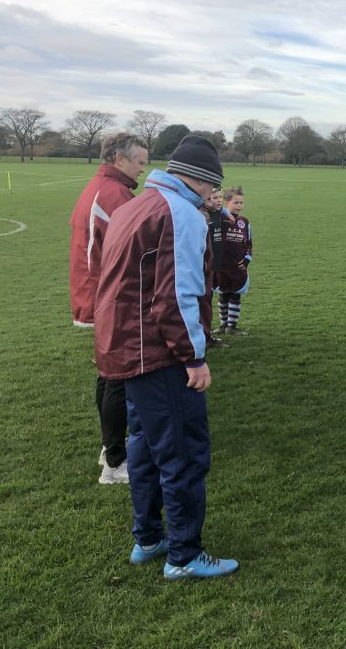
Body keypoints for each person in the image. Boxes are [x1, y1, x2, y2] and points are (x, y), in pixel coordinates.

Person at [95, 134, 239, 580]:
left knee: (145, 448)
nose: (212, 196)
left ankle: (149, 537)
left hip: (126, 350)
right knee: (182, 453)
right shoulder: (181, 214)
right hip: (159, 354)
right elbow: (178, 295)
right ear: (201, 181)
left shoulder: (136, 204)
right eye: (212, 187)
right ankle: (183, 554)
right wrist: (194, 357)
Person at [69, 132, 149, 484]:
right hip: (108, 296)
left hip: (99, 294)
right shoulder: (114, 194)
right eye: (140, 162)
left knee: (107, 374)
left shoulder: (104, 187)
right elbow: (129, 247)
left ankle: (109, 449)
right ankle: (115, 464)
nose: (143, 170)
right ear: (120, 159)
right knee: (117, 377)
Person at [215, 186, 252, 336]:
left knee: (235, 295)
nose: (239, 206)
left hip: (238, 267)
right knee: (223, 295)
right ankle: (223, 325)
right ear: (226, 203)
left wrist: (247, 259)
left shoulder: (244, 222)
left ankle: (232, 327)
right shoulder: (220, 219)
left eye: (241, 203)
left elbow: (248, 242)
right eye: (236, 202)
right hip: (221, 266)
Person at [202, 189, 228, 348]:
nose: (218, 201)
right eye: (213, 198)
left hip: (216, 265)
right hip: (205, 266)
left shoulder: (218, 213)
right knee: (204, 300)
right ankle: (205, 335)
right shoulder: (204, 216)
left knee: (209, 298)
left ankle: (207, 333)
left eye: (219, 197)